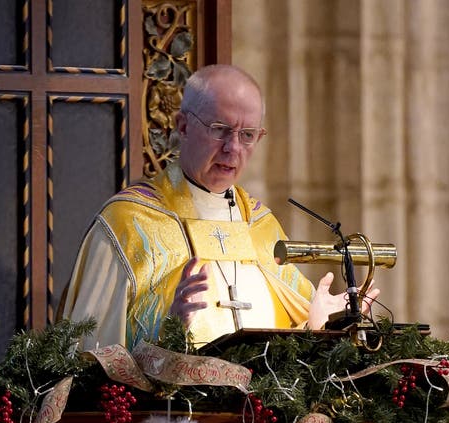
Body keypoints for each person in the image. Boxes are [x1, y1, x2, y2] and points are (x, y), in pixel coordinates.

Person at [62, 64, 379, 351]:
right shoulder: (128, 221)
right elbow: (89, 352)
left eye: (248, 135)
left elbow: (286, 352)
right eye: (219, 129)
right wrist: (166, 328)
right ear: (183, 126)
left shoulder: (260, 225)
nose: (233, 148)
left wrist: (320, 322)